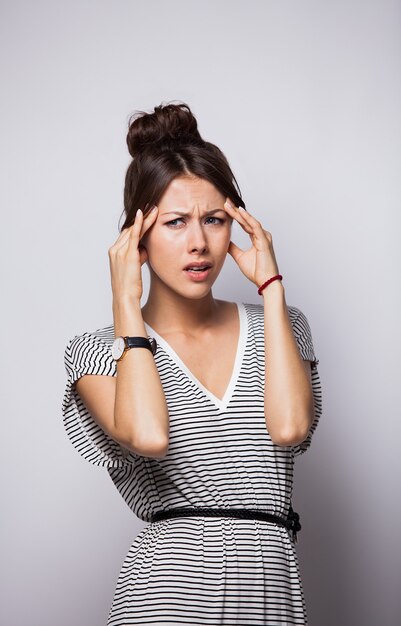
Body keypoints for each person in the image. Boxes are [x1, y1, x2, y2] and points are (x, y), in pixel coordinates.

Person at [62, 101, 322, 625]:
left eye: (215, 220)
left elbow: (291, 427)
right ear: (136, 236)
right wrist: (125, 304)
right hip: (166, 600)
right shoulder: (96, 350)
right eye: (176, 222)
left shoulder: (283, 325)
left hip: (271, 596)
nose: (199, 243)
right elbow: (149, 435)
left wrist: (272, 288)